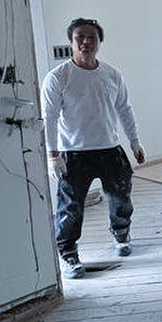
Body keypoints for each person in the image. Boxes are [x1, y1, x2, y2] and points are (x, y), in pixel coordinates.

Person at [42, 17, 146, 279]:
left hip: (110, 149)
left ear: (99, 42)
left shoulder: (111, 74)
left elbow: (124, 109)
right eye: (80, 37)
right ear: (71, 41)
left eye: (92, 37)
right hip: (73, 154)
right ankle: (68, 255)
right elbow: (49, 117)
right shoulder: (58, 77)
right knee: (70, 208)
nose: (86, 42)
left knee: (121, 198)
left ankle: (121, 235)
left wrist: (134, 141)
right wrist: (52, 155)